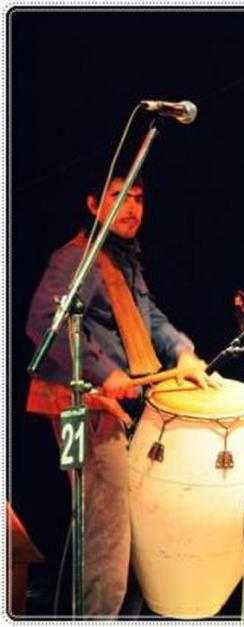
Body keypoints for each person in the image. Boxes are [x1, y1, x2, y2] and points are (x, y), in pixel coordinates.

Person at [25, 174, 211, 617]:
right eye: (120, 197)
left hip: (119, 409)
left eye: (139, 199)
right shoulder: (75, 258)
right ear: (93, 204)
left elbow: (152, 319)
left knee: (133, 534)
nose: (132, 208)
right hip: (85, 407)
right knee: (106, 534)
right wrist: (103, 372)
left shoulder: (121, 260)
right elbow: (44, 322)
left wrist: (182, 352)